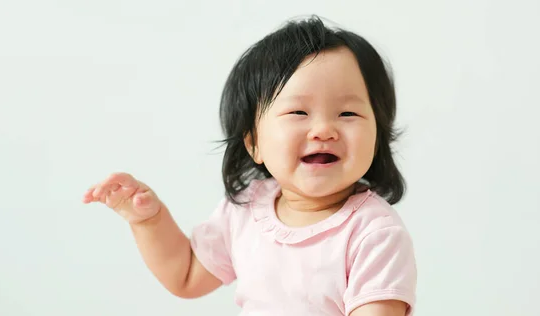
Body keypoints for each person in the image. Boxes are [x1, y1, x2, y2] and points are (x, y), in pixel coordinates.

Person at [83, 15, 417, 316]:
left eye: (348, 114)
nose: (324, 130)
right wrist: (149, 221)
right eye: (298, 113)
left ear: (378, 134)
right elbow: (186, 277)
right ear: (253, 142)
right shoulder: (246, 211)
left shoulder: (374, 233)